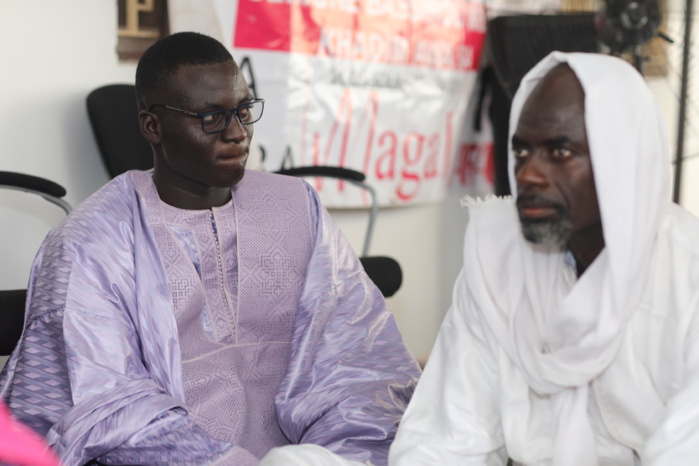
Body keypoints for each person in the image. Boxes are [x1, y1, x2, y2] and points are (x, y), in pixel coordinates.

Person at [0, 32, 419, 466]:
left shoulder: (297, 206)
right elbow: (106, 406)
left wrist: (337, 458)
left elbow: (358, 361)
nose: (237, 133)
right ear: (152, 126)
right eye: (212, 118)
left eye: (243, 111)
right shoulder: (92, 241)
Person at [389, 51, 699, 465]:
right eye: (521, 152)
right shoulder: (497, 263)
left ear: (622, 161)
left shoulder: (686, 274)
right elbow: (446, 438)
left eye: (560, 152)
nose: (528, 174)